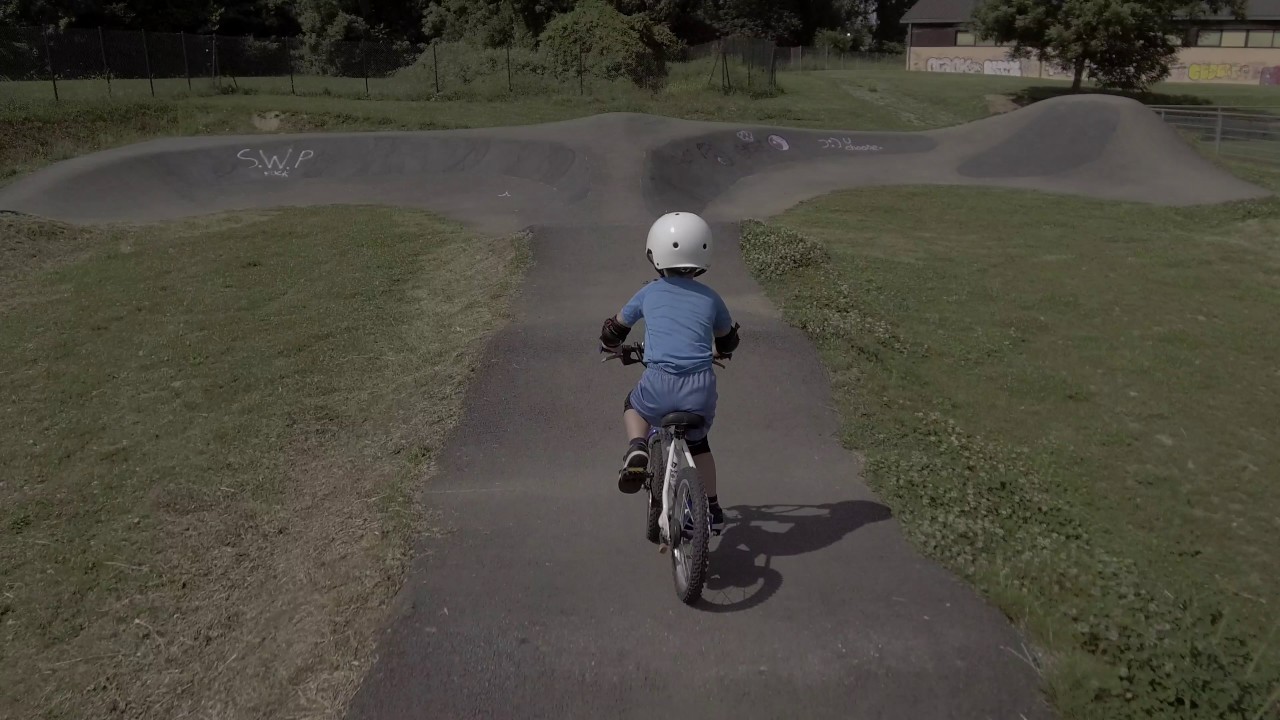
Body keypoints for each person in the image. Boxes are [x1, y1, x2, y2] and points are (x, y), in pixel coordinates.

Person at [599, 211, 740, 532]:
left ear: (655, 253)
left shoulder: (648, 292)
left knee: (633, 405)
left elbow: (615, 328)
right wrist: (721, 352)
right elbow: (727, 339)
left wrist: (609, 344)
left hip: (659, 383)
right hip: (700, 389)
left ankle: (636, 446)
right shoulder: (711, 297)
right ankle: (713, 507)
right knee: (700, 444)